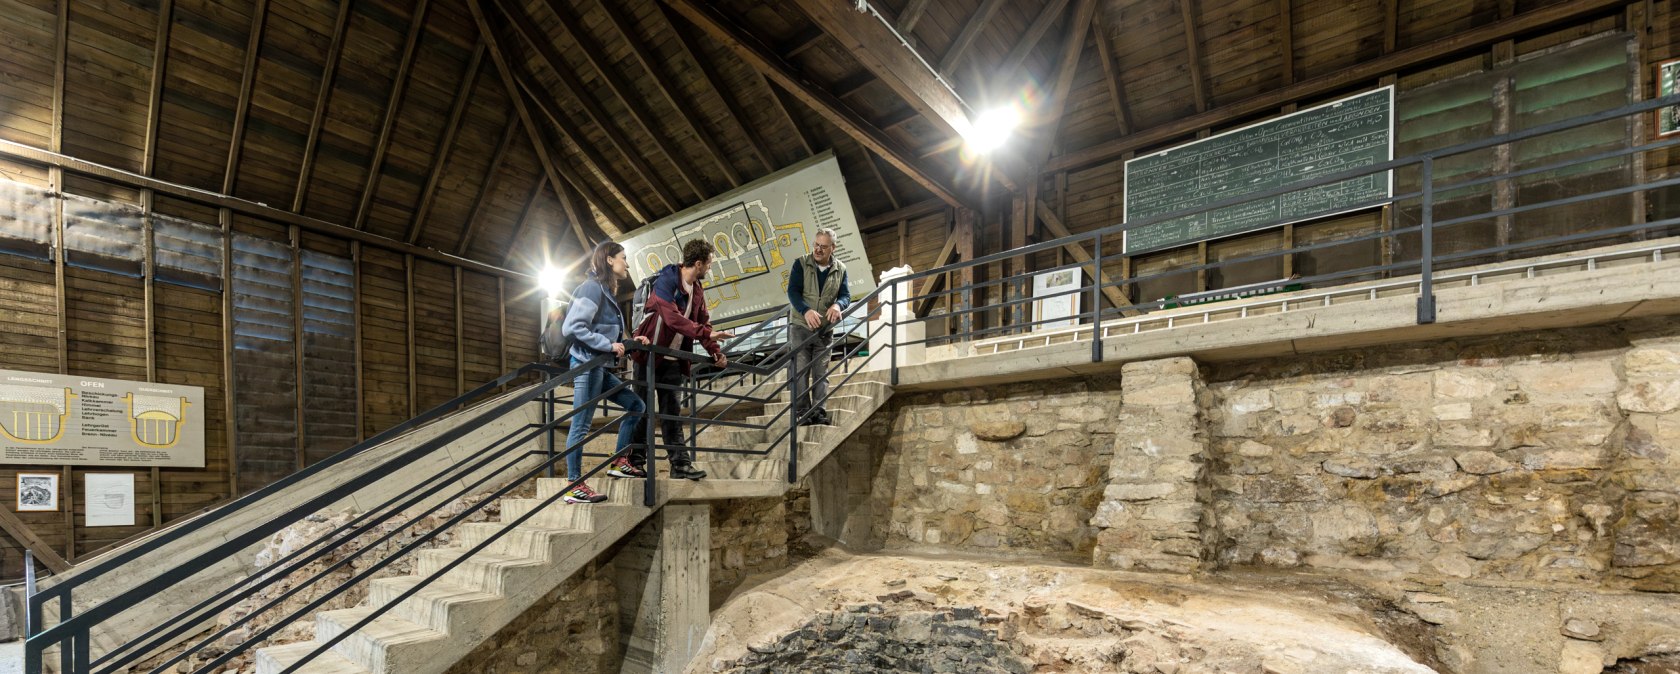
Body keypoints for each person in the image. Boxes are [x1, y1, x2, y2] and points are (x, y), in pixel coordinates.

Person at [628, 239, 733, 481]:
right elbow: (673, 318)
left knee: (672, 413)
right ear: (698, 263)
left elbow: (703, 323)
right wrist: (706, 334)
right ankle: (635, 461)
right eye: (709, 264)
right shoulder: (666, 280)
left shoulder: (697, 290)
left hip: (673, 360)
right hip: (648, 356)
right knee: (642, 409)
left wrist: (715, 351)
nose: (710, 268)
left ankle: (680, 465)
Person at [559, 241, 650, 504]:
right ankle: (574, 485)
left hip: (599, 366)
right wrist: (607, 345)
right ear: (609, 260)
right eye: (623, 258)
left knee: (635, 404)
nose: (627, 263)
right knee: (581, 425)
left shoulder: (604, 290)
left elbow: (607, 331)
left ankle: (620, 460)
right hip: (587, 366)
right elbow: (573, 327)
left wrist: (632, 341)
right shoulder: (591, 287)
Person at [785, 227, 850, 426]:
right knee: (801, 372)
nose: (818, 250)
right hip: (801, 327)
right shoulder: (801, 264)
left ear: (833, 248)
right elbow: (793, 292)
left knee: (821, 372)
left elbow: (845, 295)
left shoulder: (841, 269)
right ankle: (803, 413)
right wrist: (806, 310)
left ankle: (819, 411)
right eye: (816, 245)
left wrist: (839, 305)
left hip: (824, 330)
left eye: (823, 247)